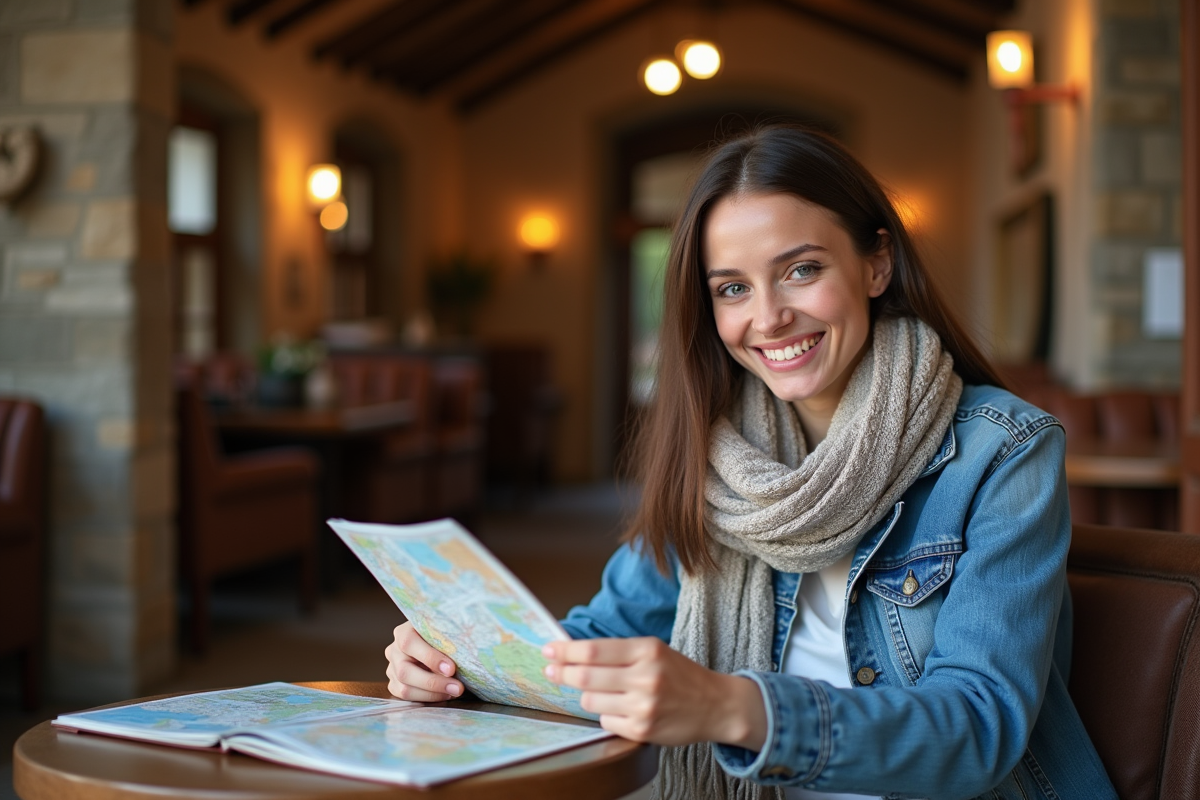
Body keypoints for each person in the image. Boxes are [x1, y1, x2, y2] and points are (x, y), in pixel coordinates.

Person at [385, 125, 1117, 800]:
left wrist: (730, 708)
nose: (766, 317)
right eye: (732, 287)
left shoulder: (1002, 450)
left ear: (877, 263)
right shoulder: (711, 458)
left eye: (800, 270)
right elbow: (603, 634)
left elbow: (977, 727)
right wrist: (463, 665)